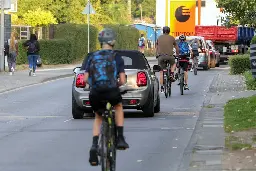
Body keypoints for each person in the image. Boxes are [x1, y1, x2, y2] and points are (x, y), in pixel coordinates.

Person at [82, 28, 129, 166]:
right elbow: (122, 79)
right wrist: (118, 85)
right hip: (111, 91)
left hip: (95, 92)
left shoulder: (91, 56)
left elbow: (85, 78)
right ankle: (120, 137)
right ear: (113, 41)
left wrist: (93, 85)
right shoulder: (116, 57)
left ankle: (94, 146)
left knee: (98, 116)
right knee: (118, 106)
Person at [156, 26, 179, 91]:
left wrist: (156, 55)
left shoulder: (159, 38)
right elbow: (176, 47)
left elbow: (157, 47)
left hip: (161, 57)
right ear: (169, 31)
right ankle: (171, 74)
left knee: (161, 72)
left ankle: (162, 87)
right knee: (173, 64)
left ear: (163, 31)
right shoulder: (172, 38)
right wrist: (177, 54)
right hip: (170, 56)